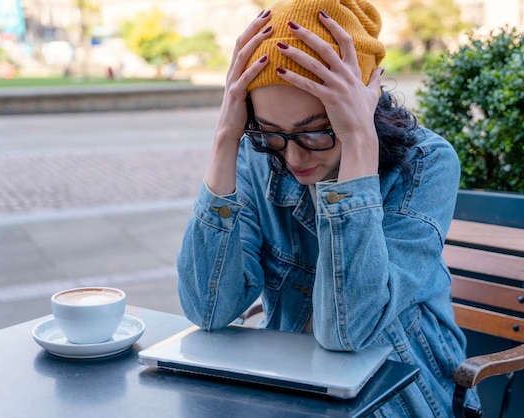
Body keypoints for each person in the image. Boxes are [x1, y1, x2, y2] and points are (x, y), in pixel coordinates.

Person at [177, 0, 479, 416]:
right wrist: (226, 138)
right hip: (287, 388)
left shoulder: (428, 164)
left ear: (363, 101)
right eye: (271, 133)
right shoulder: (259, 155)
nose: (295, 159)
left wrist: (357, 144)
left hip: (399, 391)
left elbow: (347, 330)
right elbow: (207, 309)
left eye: (317, 131)